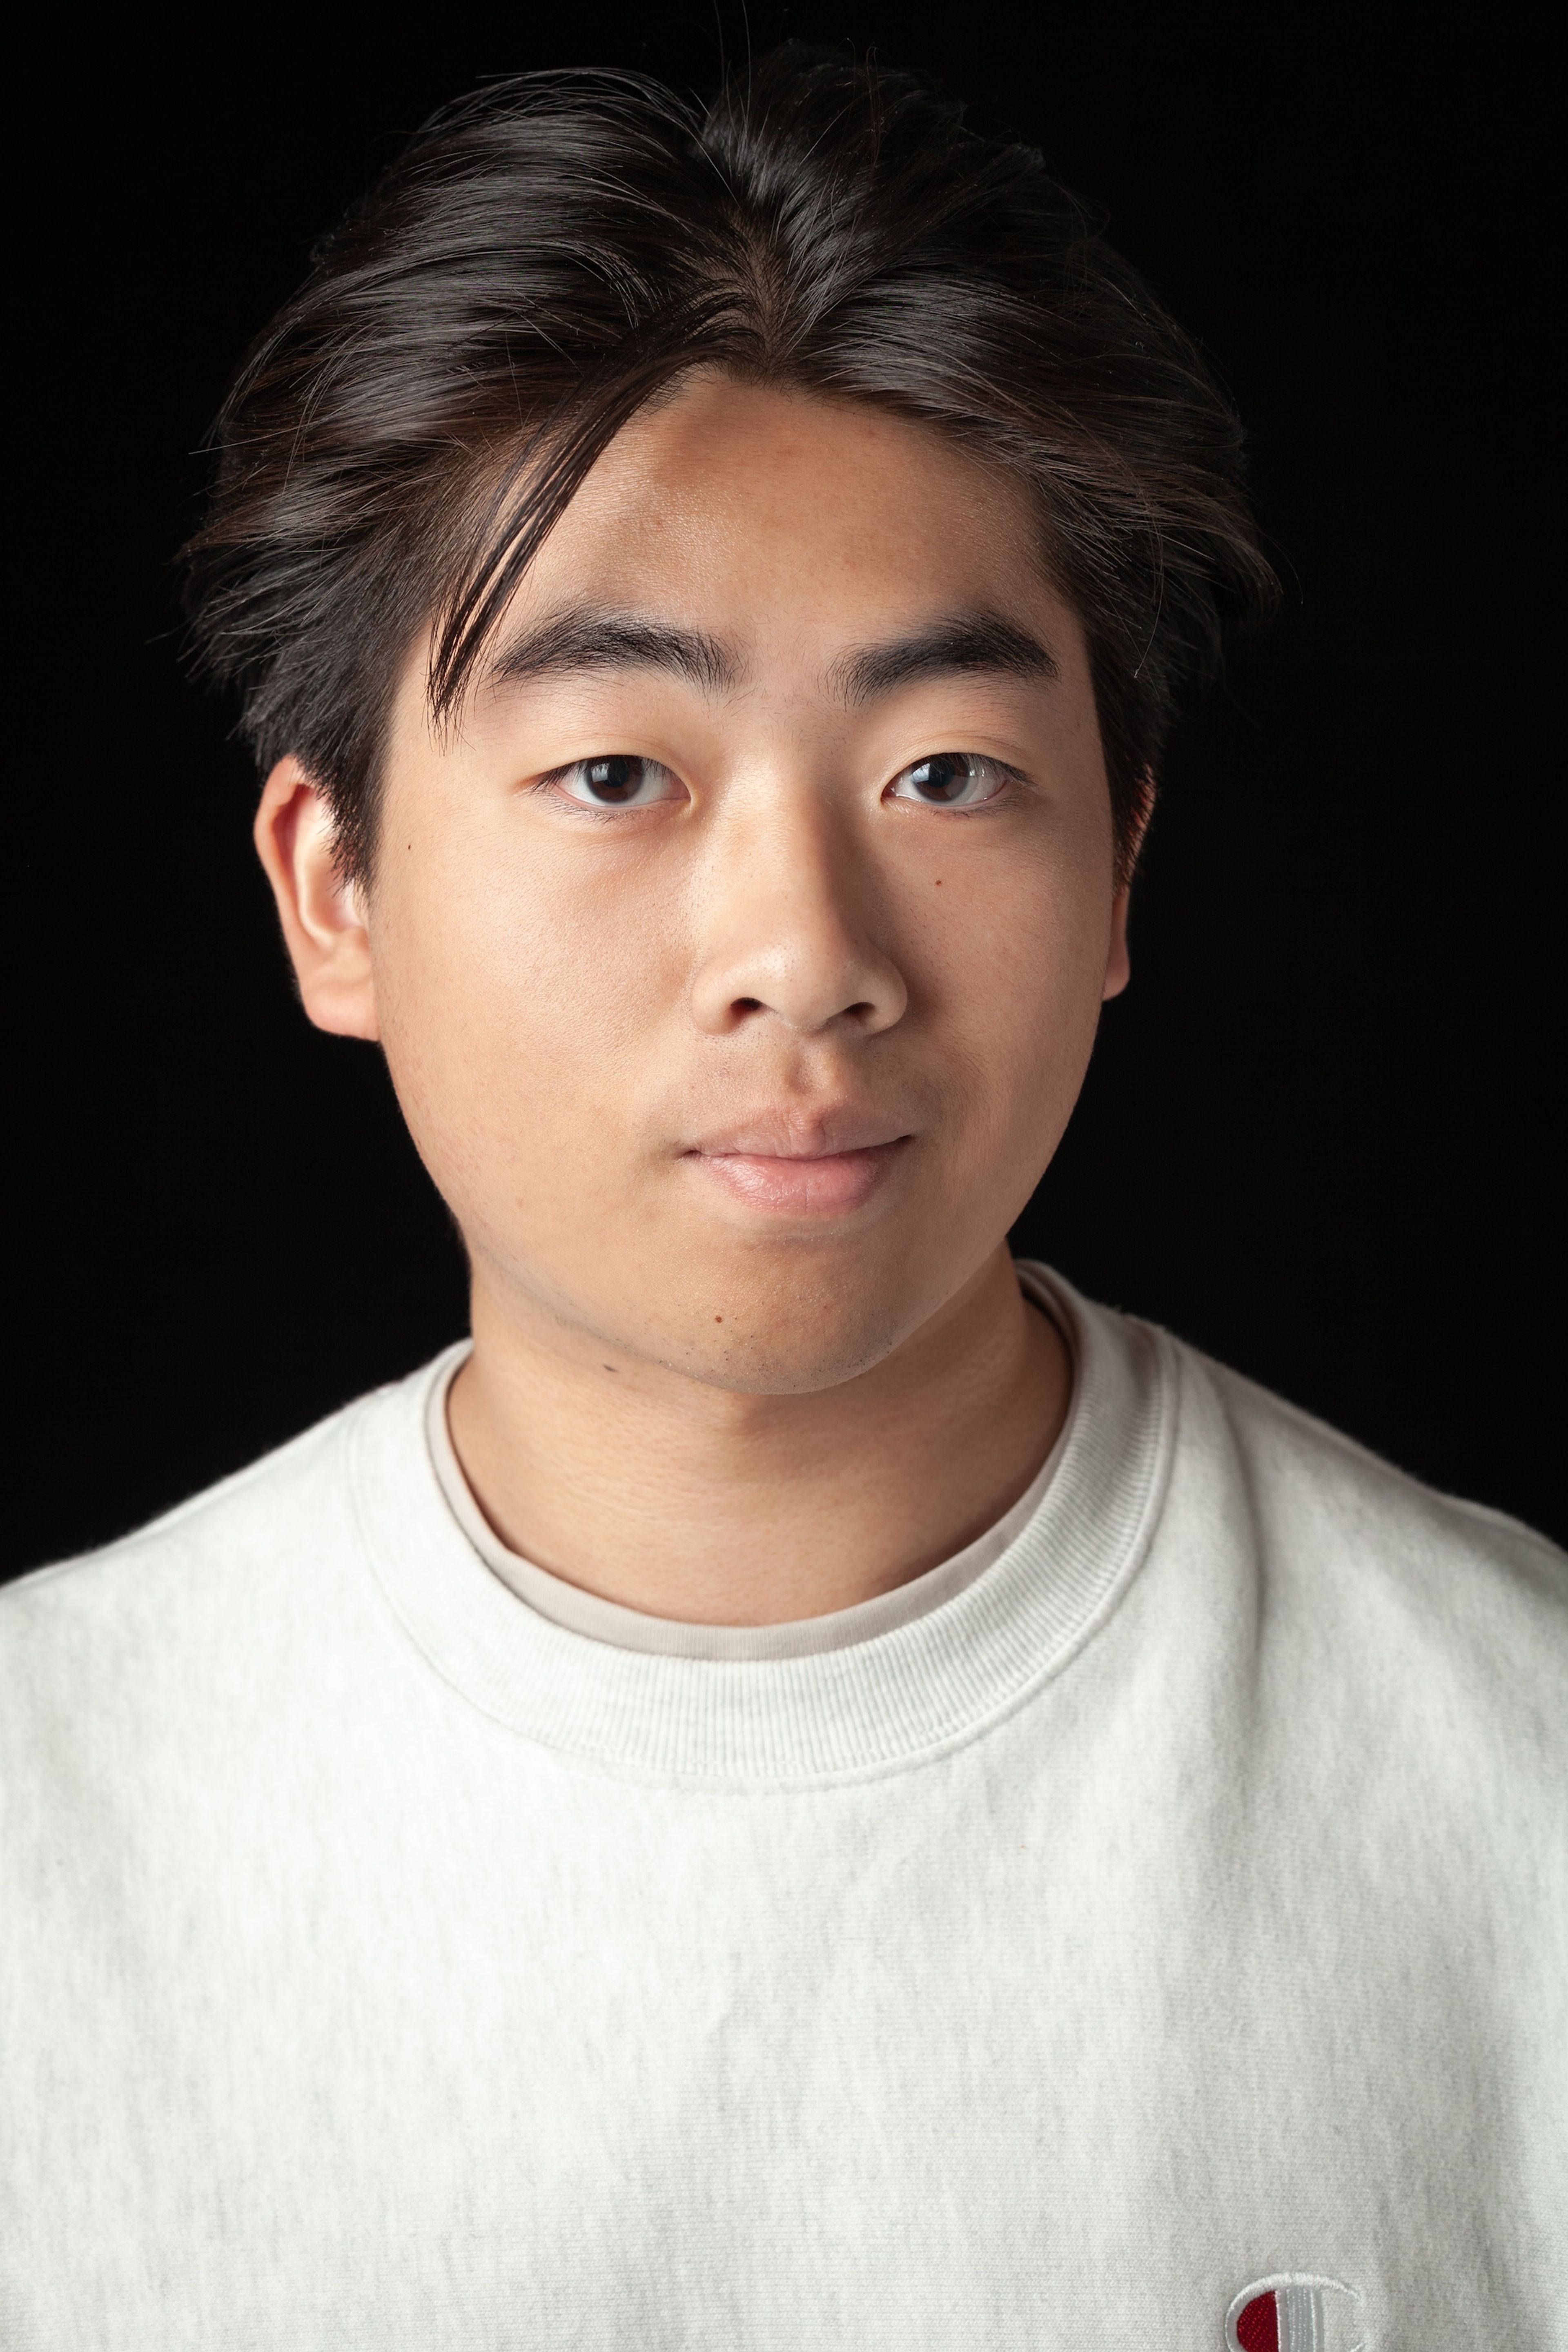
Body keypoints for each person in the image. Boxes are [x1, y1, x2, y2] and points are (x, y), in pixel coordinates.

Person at [3, 51, 1562, 2352]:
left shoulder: (1522, 1776)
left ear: (1121, 867)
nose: (808, 950)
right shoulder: (47, 1814)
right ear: (335, 891)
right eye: (618, 772)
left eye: (947, 771)